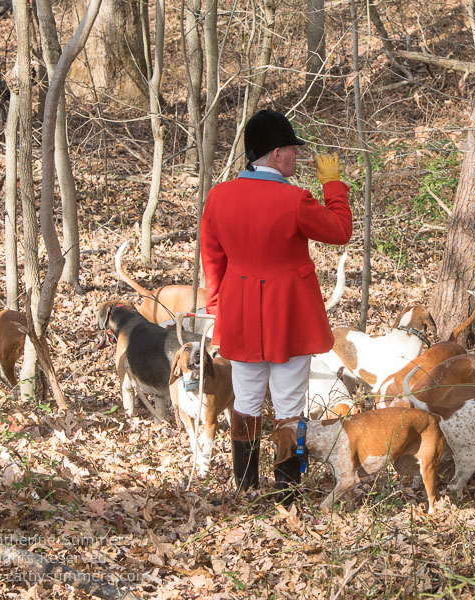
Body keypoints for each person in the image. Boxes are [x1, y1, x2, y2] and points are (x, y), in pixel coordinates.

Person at [199, 109, 352, 503]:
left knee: (246, 400)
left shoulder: (218, 196)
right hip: (291, 313)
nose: (297, 159)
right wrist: (333, 185)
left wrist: (217, 308)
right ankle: (288, 490)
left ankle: (245, 487)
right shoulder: (295, 199)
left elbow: (212, 260)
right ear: (278, 153)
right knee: (289, 403)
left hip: (241, 311)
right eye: (293, 152)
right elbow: (340, 232)